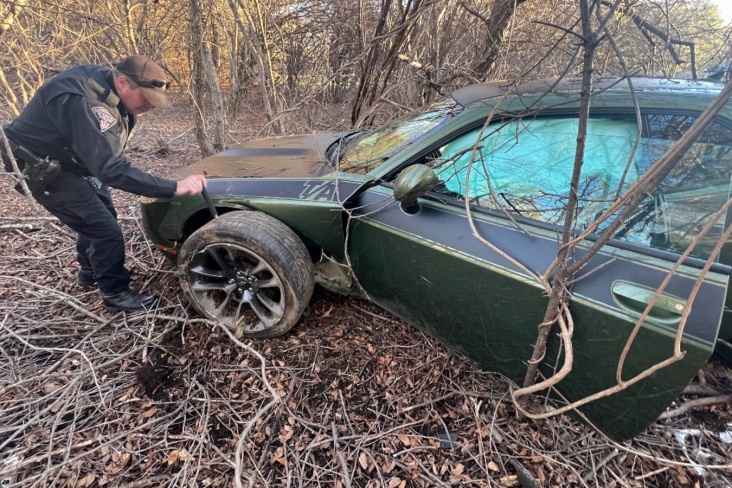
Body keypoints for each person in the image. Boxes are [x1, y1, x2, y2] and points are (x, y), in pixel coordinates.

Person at [1, 55, 207, 311]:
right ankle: (116, 294)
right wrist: (173, 187)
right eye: (146, 99)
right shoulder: (86, 103)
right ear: (122, 82)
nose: (150, 106)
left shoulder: (108, 86)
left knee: (102, 211)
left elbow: (104, 156)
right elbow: (111, 169)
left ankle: (89, 271)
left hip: (70, 156)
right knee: (104, 229)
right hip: (38, 164)